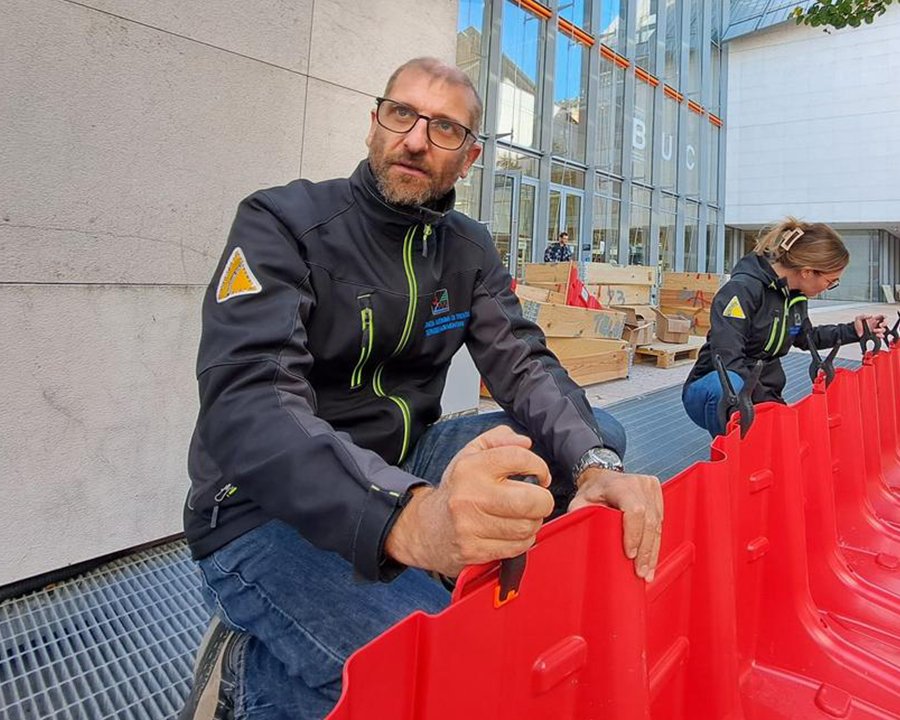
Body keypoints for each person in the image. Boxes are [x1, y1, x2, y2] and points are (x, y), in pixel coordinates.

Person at [179, 57, 663, 720]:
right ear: (374, 123)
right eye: (401, 113)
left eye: (444, 127)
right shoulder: (282, 222)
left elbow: (522, 363)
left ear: (469, 158)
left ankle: (419, 584)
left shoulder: (467, 248)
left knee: (598, 437)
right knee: (440, 668)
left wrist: (596, 466)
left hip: (402, 461)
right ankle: (245, 675)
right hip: (260, 507)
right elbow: (250, 401)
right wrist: (405, 516)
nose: (414, 139)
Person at [682, 218, 886, 437]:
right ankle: (730, 450)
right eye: (830, 281)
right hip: (714, 389)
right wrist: (765, 406)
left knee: (782, 438)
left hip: (760, 392)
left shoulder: (794, 297)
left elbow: (806, 337)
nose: (830, 287)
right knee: (729, 385)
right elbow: (727, 358)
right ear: (807, 272)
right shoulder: (742, 290)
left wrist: (854, 330)